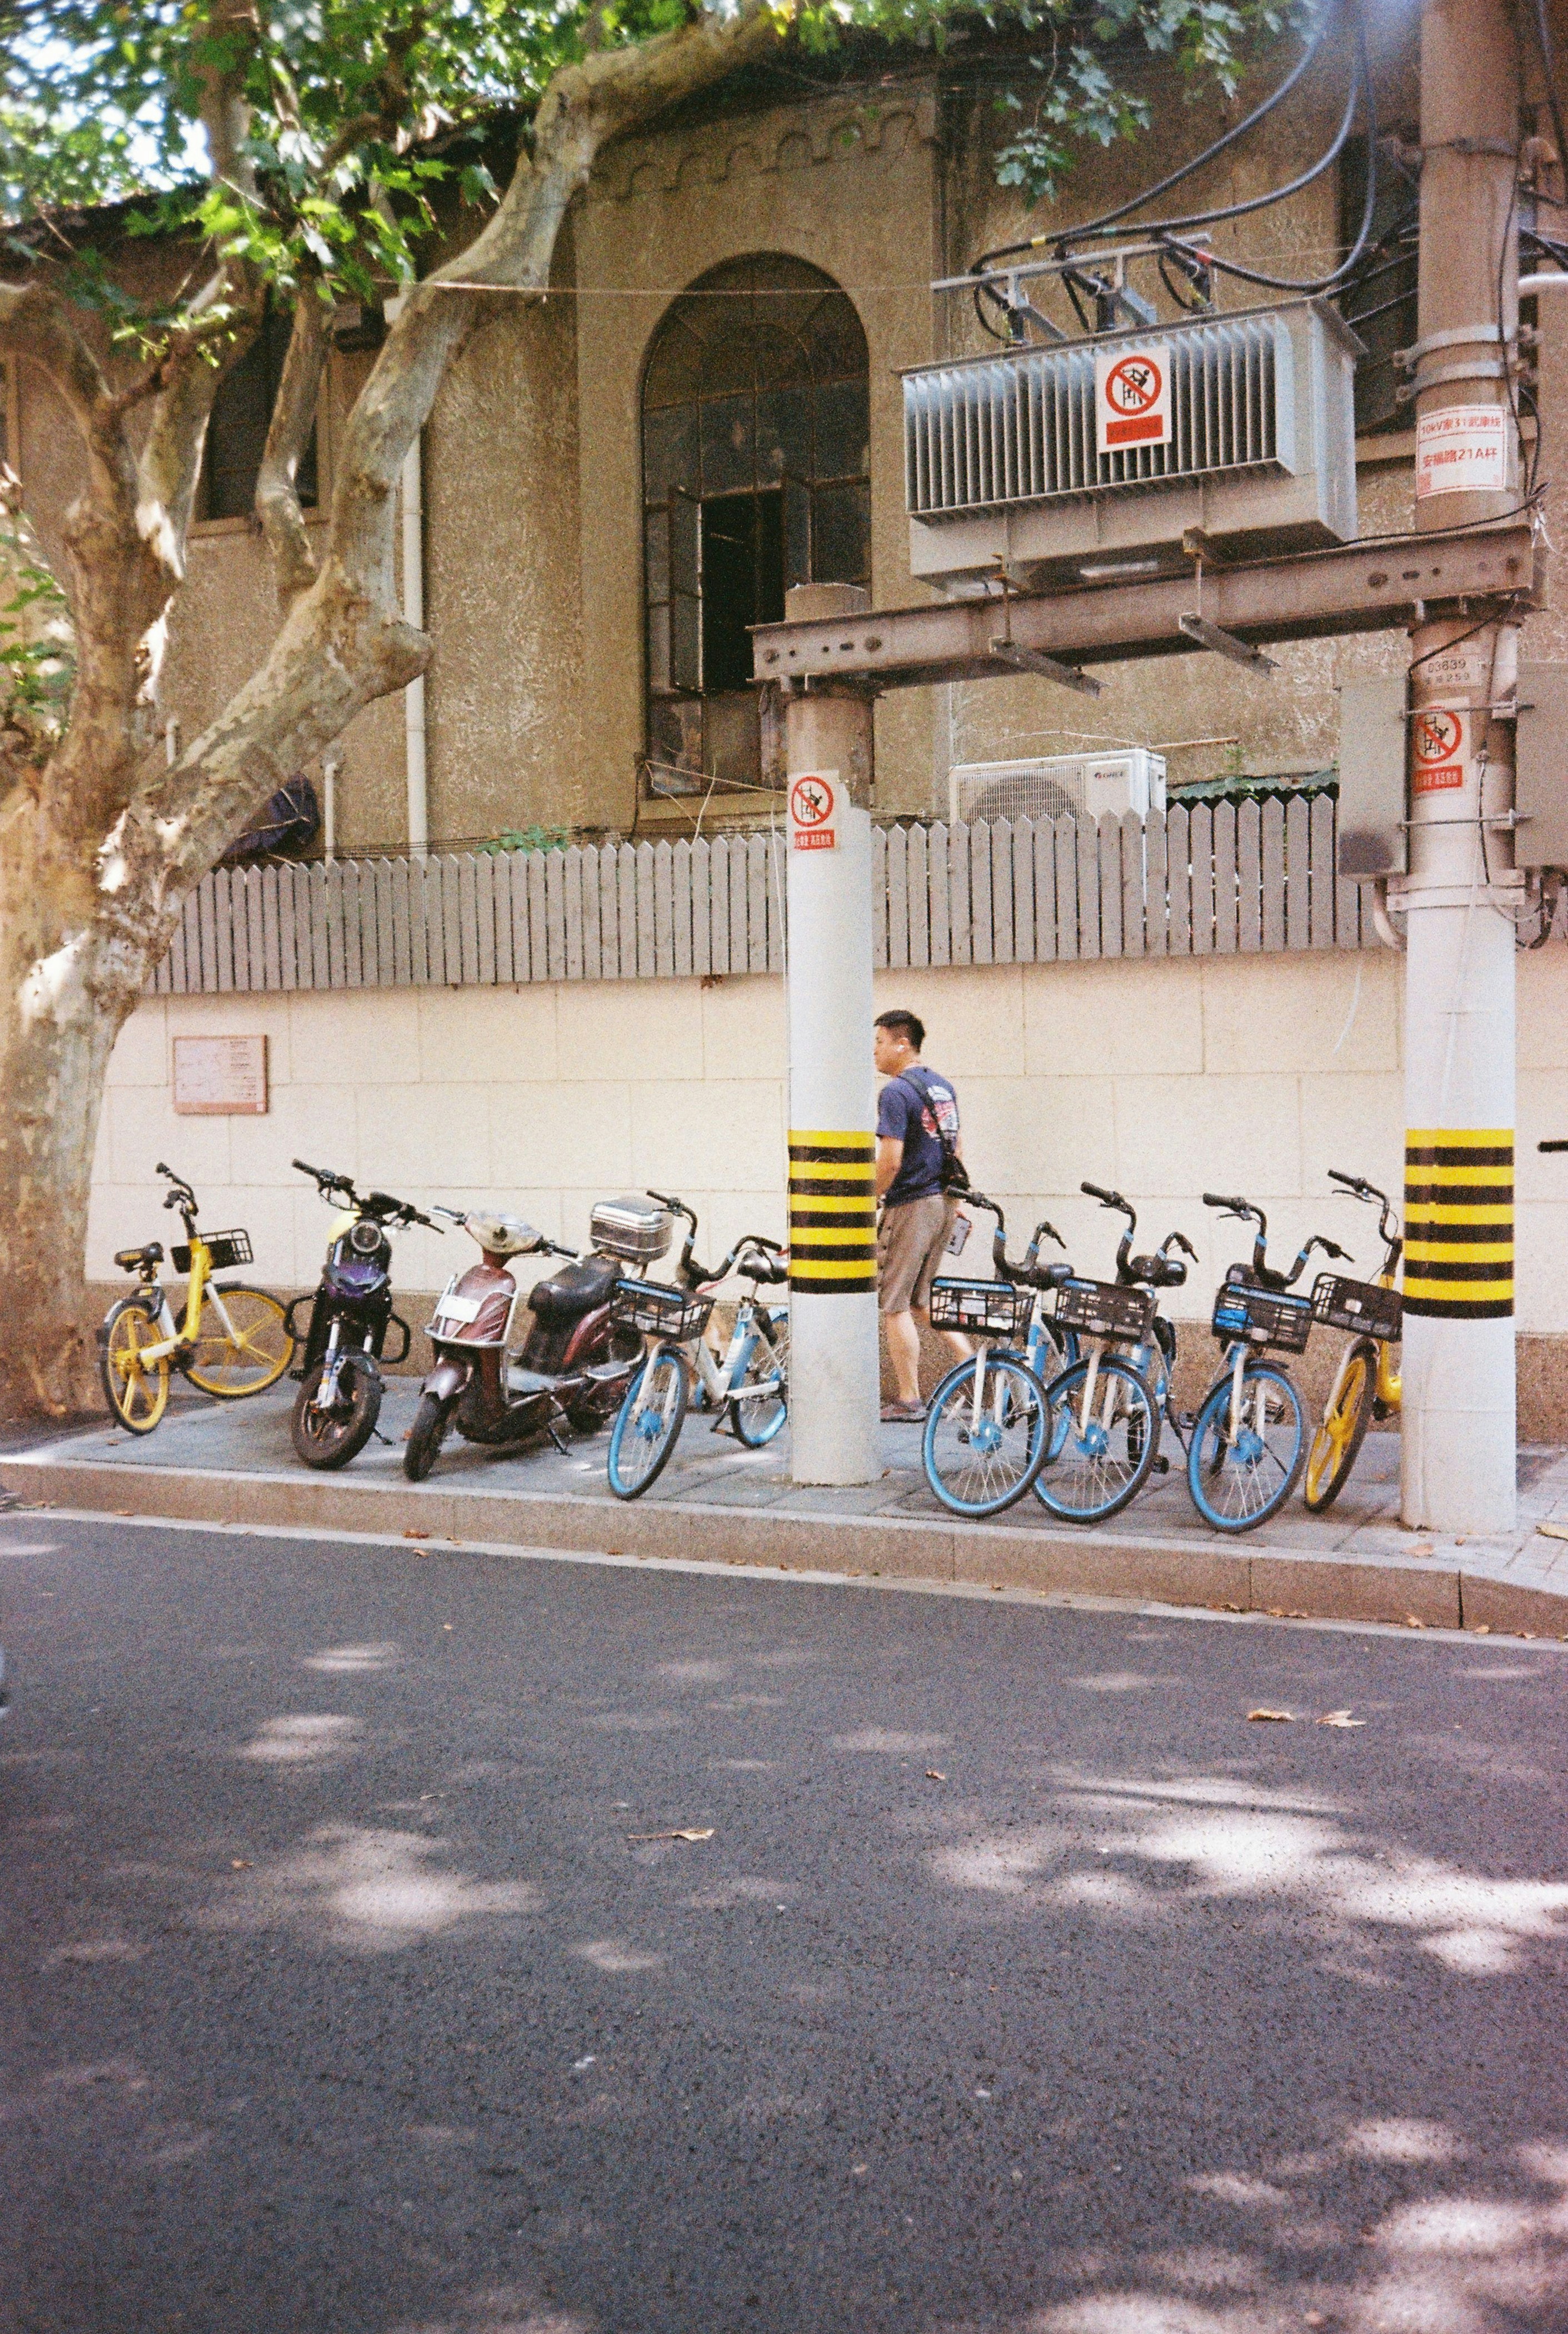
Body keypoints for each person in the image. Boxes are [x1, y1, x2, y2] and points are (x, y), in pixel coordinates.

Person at [873, 1008, 972, 1422]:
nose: (874, 1052)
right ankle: (981, 1375)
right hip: (945, 1200)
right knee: (923, 1299)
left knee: (894, 1303)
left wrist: (869, 1197)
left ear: (902, 1043)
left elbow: (891, 1160)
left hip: (912, 1203)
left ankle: (909, 1398)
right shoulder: (942, 1086)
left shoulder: (896, 1093)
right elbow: (958, 1147)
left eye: (879, 1042)